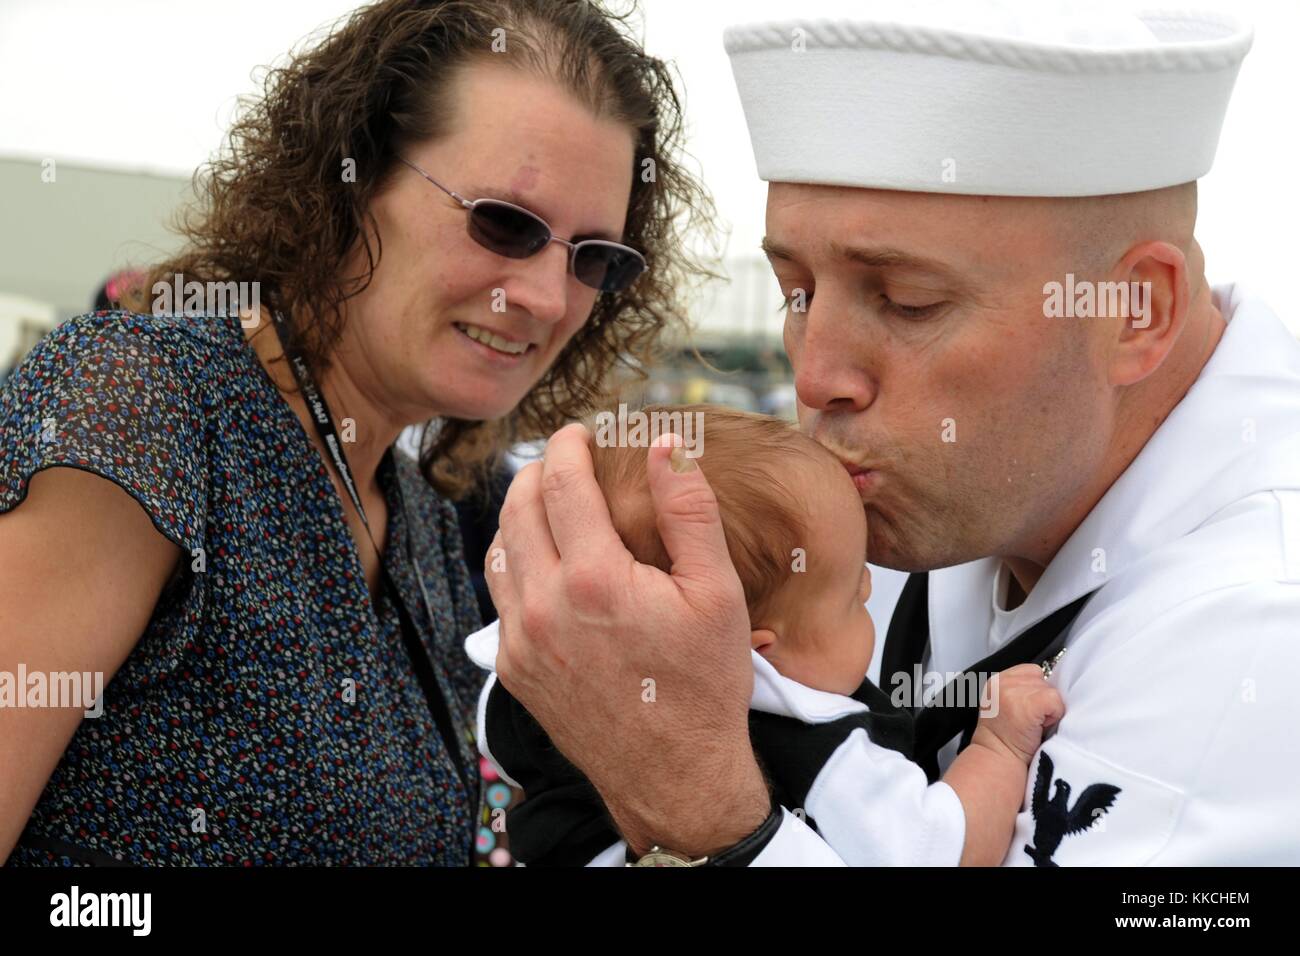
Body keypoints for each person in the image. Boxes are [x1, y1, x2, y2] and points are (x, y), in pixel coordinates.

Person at [484, 4, 1300, 865]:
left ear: (1137, 312)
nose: (813, 375)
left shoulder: (1259, 641)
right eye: (797, 292)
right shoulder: (944, 495)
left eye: (909, 302)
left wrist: (703, 809)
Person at [0, 0, 714, 866]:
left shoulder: (420, 521)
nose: (546, 298)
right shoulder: (145, 407)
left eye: (595, 257)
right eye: (504, 222)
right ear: (349, 180)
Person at [466, 405, 1067, 866]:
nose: (868, 594)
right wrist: (999, 749)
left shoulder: (531, 690)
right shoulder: (818, 743)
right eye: (850, 599)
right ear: (756, 652)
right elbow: (940, 848)